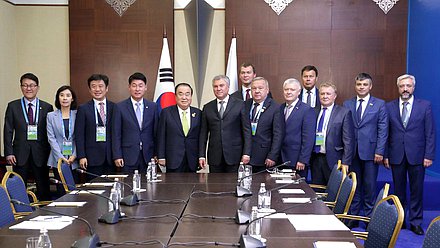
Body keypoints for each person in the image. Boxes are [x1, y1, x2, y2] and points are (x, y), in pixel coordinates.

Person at [384, 74, 435, 235]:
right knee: (398, 190)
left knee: (416, 190)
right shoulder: (389, 106)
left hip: (418, 155)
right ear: (398, 87)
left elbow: (430, 132)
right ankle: (400, 220)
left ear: (413, 87)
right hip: (396, 154)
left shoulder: (424, 106)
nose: (405, 89)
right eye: (402, 86)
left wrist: (429, 155)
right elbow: (385, 133)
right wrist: (385, 154)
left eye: (408, 86)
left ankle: (415, 222)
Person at [343, 73, 388, 227]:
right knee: (354, 186)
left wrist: (380, 151)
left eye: (364, 85)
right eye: (359, 84)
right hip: (352, 152)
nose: (361, 87)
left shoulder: (379, 104)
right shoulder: (347, 104)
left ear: (370, 86)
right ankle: (354, 218)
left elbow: (383, 129)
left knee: (369, 187)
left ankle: (369, 219)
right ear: (355, 86)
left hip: (371, 152)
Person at [3, 73, 54, 200]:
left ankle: (45, 214)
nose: (28, 88)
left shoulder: (47, 107)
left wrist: (52, 156)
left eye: (32, 85)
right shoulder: (13, 106)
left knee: (43, 188)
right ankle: (20, 215)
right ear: (21, 87)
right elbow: (8, 130)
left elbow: (50, 133)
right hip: (19, 154)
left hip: (41, 154)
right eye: (25, 85)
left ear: (37, 87)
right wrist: (9, 152)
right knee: (19, 188)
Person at [199, 75, 251, 173]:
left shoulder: (240, 105)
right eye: (215, 86)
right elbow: (203, 134)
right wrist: (201, 155)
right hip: (215, 157)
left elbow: (246, 130)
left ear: (228, 87)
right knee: (215, 187)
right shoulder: (207, 107)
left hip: (235, 155)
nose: (218, 89)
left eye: (221, 85)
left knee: (233, 186)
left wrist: (246, 153)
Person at [112, 72, 158, 173]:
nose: (137, 89)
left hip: (148, 156)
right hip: (127, 156)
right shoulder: (120, 107)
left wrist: (156, 153)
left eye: (140, 86)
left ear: (145, 88)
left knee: (149, 186)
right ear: (129, 87)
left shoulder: (153, 106)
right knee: (128, 186)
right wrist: (117, 155)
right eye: (134, 85)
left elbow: (156, 133)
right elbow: (116, 133)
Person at [310, 82, 354, 185]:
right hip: (316, 158)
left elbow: (348, 140)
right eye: (322, 94)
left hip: (335, 160)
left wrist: (346, 162)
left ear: (334, 96)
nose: (325, 96)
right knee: (317, 190)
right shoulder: (312, 111)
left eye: (328, 94)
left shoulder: (344, 112)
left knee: (334, 192)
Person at [75, 74, 115, 180]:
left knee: (111, 189)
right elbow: (79, 135)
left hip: (111, 158)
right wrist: (82, 156)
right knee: (95, 191)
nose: (97, 89)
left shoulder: (114, 107)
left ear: (107, 88)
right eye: (93, 86)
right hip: (91, 158)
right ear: (89, 89)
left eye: (101, 86)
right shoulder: (83, 109)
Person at [157, 83, 201, 172]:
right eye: (180, 94)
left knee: (193, 185)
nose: (184, 97)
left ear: (191, 96)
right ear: (175, 97)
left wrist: (201, 156)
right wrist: (161, 156)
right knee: (173, 185)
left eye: (187, 94)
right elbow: (161, 135)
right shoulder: (166, 113)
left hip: (192, 159)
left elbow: (201, 137)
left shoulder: (198, 113)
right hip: (173, 159)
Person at [244, 77, 282, 172]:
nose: (257, 91)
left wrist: (273, 155)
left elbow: (278, 134)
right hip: (246, 156)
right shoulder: (245, 105)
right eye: (254, 88)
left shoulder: (275, 107)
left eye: (260, 88)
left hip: (265, 157)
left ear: (267, 90)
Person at [280, 78, 316, 178]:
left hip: (297, 161)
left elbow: (308, 138)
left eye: (292, 90)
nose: (288, 92)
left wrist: (303, 159)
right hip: (280, 159)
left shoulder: (307, 110)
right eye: (286, 89)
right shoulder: (280, 108)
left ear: (299, 92)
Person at [47, 86, 79, 194]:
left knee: (74, 192)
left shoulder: (78, 114)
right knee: (61, 192)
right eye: (62, 95)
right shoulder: (51, 116)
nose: (65, 98)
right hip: (58, 160)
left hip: (74, 160)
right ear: (58, 98)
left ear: (72, 98)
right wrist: (61, 158)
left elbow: (80, 137)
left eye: (68, 95)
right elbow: (51, 138)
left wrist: (74, 155)